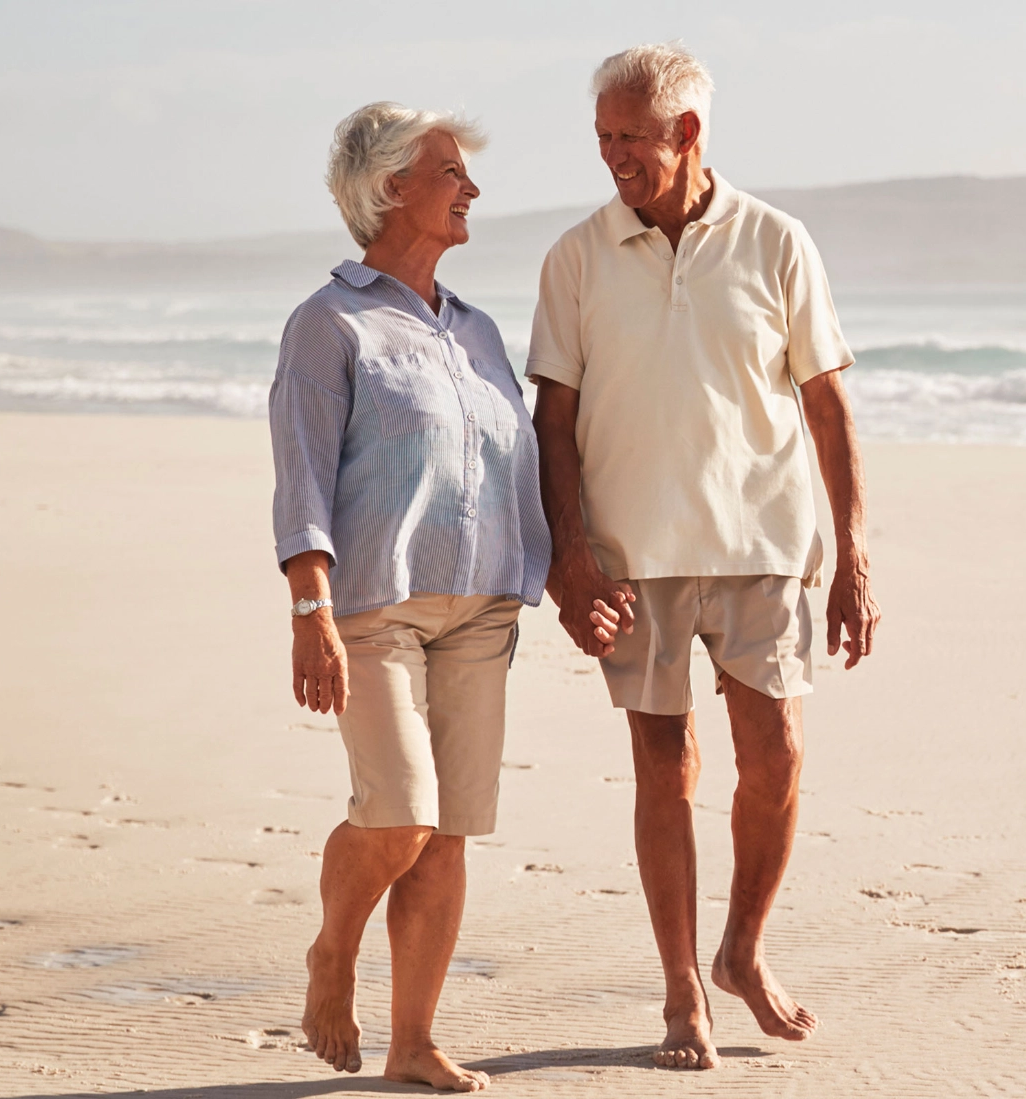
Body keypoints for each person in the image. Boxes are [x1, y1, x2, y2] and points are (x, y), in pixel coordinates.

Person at [528, 43, 882, 1070]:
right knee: (664, 764)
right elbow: (553, 421)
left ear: (686, 133)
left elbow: (826, 404)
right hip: (633, 554)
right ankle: (684, 987)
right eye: (601, 138)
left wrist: (853, 551)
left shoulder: (778, 242)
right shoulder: (577, 257)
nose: (612, 158)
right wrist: (573, 557)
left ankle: (742, 950)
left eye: (629, 137)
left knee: (775, 759)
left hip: (764, 545)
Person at [269, 102, 600, 1091]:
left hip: (482, 612)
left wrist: (568, 576)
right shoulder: (328, 323)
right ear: (389, 189)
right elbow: (302, 481)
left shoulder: (480, 330)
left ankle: (413, 1041)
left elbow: (518, 466)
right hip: (374, 608)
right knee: (400, 816)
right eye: (451, 170)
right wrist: (309, 610)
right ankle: (333, 952)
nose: (471, 188)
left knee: (446, 834)